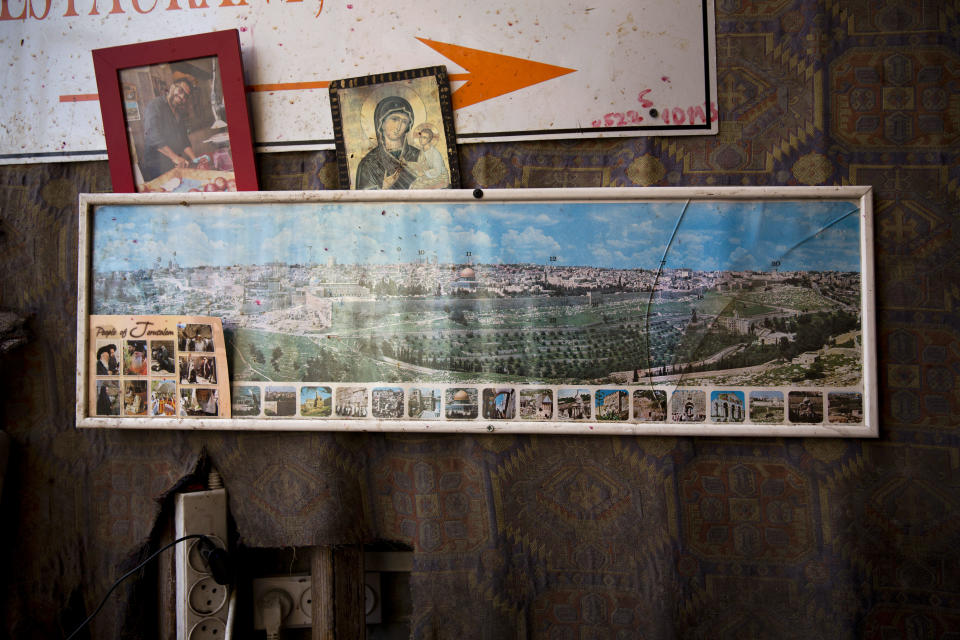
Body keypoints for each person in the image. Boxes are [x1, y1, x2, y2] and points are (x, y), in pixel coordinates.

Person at [355, 96, 420, 190]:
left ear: (408, 127)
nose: (399, 126)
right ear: (381, 123)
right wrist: (385, 188)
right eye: (394, 119)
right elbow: (365, 201)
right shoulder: (368, 163)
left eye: (404, 121)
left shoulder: (418, 155)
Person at [141, 78, 197, 182]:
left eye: (185, 96)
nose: (181, 97)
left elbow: (184, 140)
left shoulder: (178, 113)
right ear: (172, 87)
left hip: (174, 164)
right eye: (180, 91)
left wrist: (195, 159)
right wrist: (174, 157)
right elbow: (153, 136)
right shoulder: (155, 105)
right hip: (156, 166)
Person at [409, 123, 449, 189]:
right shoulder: (422, 150)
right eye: (421, 137)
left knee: (417, 187)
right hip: (428, 175)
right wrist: (408, 163)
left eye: (424, 138)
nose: (421, 139)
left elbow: (437, 171)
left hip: (440, 177)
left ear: (429, 139)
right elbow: (420, 165)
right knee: (412, 186)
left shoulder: (435, 153)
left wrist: (424, 173)